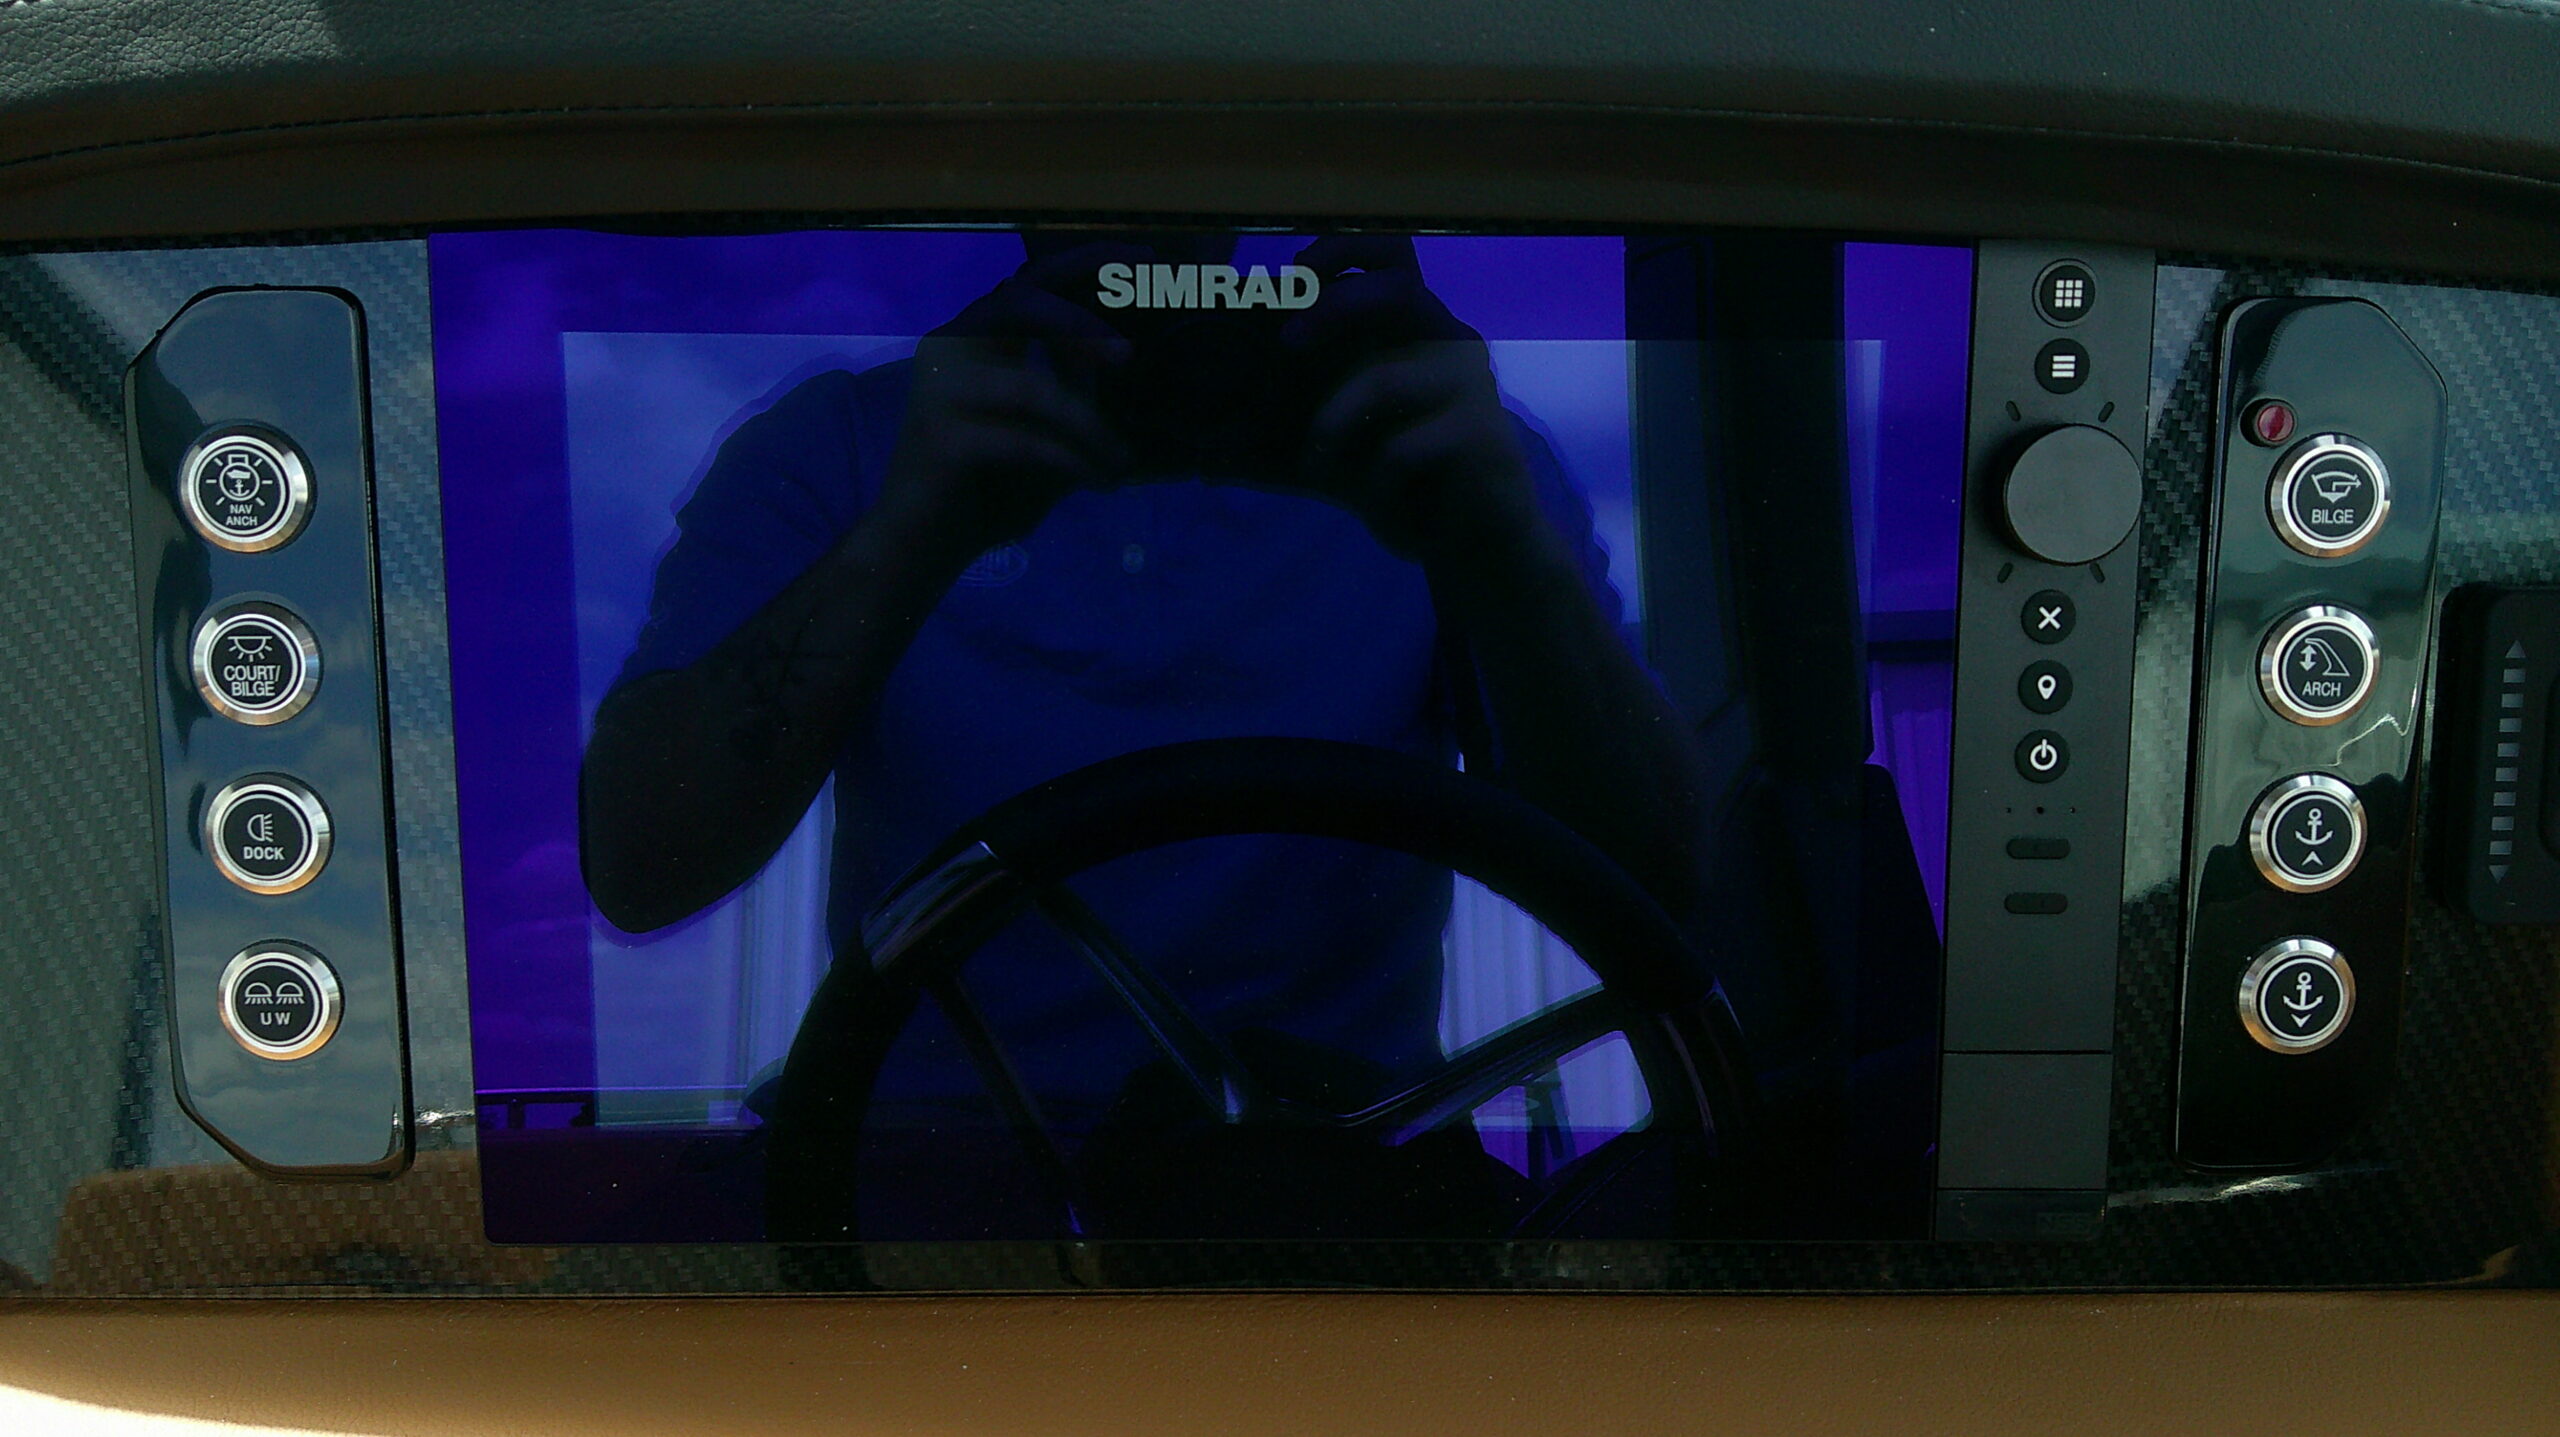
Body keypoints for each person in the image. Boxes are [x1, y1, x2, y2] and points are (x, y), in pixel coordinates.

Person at [578, 232, 1709, 1151]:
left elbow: (1678, 888)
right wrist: (917, 525)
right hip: (1312, 1172)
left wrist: (1502, 542)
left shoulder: (1441, 458)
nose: (1175, 290)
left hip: (1161, 1170)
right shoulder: (856, 449)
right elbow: (639, 862)